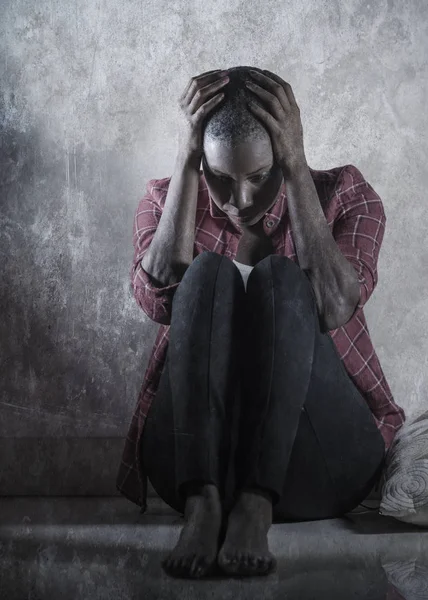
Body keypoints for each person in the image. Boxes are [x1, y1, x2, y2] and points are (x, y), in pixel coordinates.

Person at [116, 66, 406, 579]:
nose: (240, 200)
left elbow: (336, 305)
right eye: (221, 177)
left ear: (284, 153)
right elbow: (155, 300)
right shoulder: (167, 199)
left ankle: (256, 503)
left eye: (259, 175)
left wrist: (295, 168)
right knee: (207, 272)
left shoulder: (346, 195)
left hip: (319, 457)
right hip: (192, 463)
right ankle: (204, 504)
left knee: (282, 278)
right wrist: (187, 166)